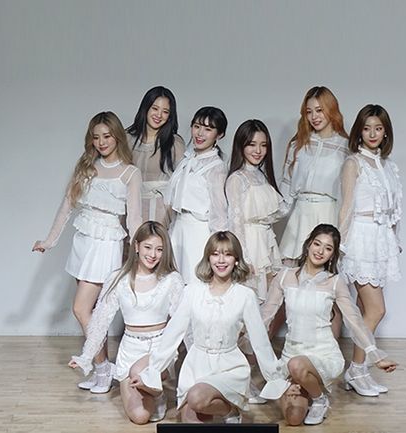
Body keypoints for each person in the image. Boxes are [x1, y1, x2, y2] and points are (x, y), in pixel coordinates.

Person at [32, 112, 142, 393]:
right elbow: (66, 206)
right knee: (92, 313)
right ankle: (101, 368)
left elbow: (134, 219)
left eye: (107, 136)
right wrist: (50, 241)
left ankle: (104, 368)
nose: (101, 142)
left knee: (81, 309)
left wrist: (139, 254)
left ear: (117, 137)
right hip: (83, 241)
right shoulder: (86, 167)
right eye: (96, 137)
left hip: (106, 243)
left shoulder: (130, 173)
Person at [131, 231, 287, 424]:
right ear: (208, 258)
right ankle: (224, 409)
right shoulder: (192, 291)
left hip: (229, 367)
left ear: (236, 260)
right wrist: (152, 372)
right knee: (189, 419)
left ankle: (230, 410)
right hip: (196, 366)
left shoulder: (245, 295)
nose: (221, 260)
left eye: (227, 254)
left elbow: (260, 341)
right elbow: (173, 333)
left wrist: (275, 377)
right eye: (215, 254)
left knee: (197, 398)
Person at [260, 224, 397, 425]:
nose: (320, 251)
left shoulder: (334, 282)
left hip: (323, 355)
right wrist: (243, 340)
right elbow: (266, 315)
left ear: (332, 255)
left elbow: (354, 321)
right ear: (308, 244)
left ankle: (319, 399)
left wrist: (375, 356)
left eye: (328, 248)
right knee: (293, 419)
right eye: (317, 244)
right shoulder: (284, 276)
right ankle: (304, 384)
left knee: (297, 365)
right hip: (291, 355)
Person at [68, 221, 184, 424]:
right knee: (139, 417)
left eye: (159, 249)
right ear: (136, 246)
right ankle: (155, 392)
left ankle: (157, 384)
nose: (153, 254)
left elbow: (182, 322)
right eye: (148, 247)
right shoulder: (118, 278)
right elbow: (100, 321)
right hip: (130, 349)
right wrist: (86, 356)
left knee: (137, 371)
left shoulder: (171, 279)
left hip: (160, 349)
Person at [339, 104, 402, 396]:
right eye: (366, 128)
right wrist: (340, 245)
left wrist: (394, 240)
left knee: (367, 309)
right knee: (377, 309)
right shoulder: (353, 163)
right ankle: (356, 370)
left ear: (385, 131)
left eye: (378, 128)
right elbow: (346, 207)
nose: (372, 134)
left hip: (381, 240)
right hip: (360, 239)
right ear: (359, 132)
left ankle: (359, 372)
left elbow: (393, 210)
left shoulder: (388, 166)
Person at [277, 86, 350, 337]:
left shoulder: (346, 147)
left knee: (331, 291)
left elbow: (349, 195)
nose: (314, 116)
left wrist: (345, 234)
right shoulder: (298, 145)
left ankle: (331, 353)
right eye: (309, 112)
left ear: (332, 110)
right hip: (300, 217)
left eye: (320, 110)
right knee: (288, 286)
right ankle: (274, 350)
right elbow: (286, 189)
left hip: (329, 215)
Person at [225, 119, 289, 302]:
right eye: (252, 144)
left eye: (263, 145)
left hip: (266, 241)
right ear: (241, 145)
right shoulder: (237, 179)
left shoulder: (261, 175)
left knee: (269, 300)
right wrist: (243, 257)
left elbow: (280, 209)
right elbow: (235, 222)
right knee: (249, 298)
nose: (258, 151)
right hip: (250, 244)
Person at [165, 107, 229, 284]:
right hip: (178, 228)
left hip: (198, 234)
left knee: (194, 285)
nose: (200, 133)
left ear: (219, 135)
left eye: (208, 129)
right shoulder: (187, 159)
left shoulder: (217, 168)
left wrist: (218, 249)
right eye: (197, 126)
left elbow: (219, 211)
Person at [126, 86, 186, 227]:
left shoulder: (175, 142)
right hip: (131, 208)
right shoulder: (126, 138)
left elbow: (182, 183)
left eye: (165, 112)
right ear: (145, 108)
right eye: (155, 108)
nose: (159, 115)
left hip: (162, 211)